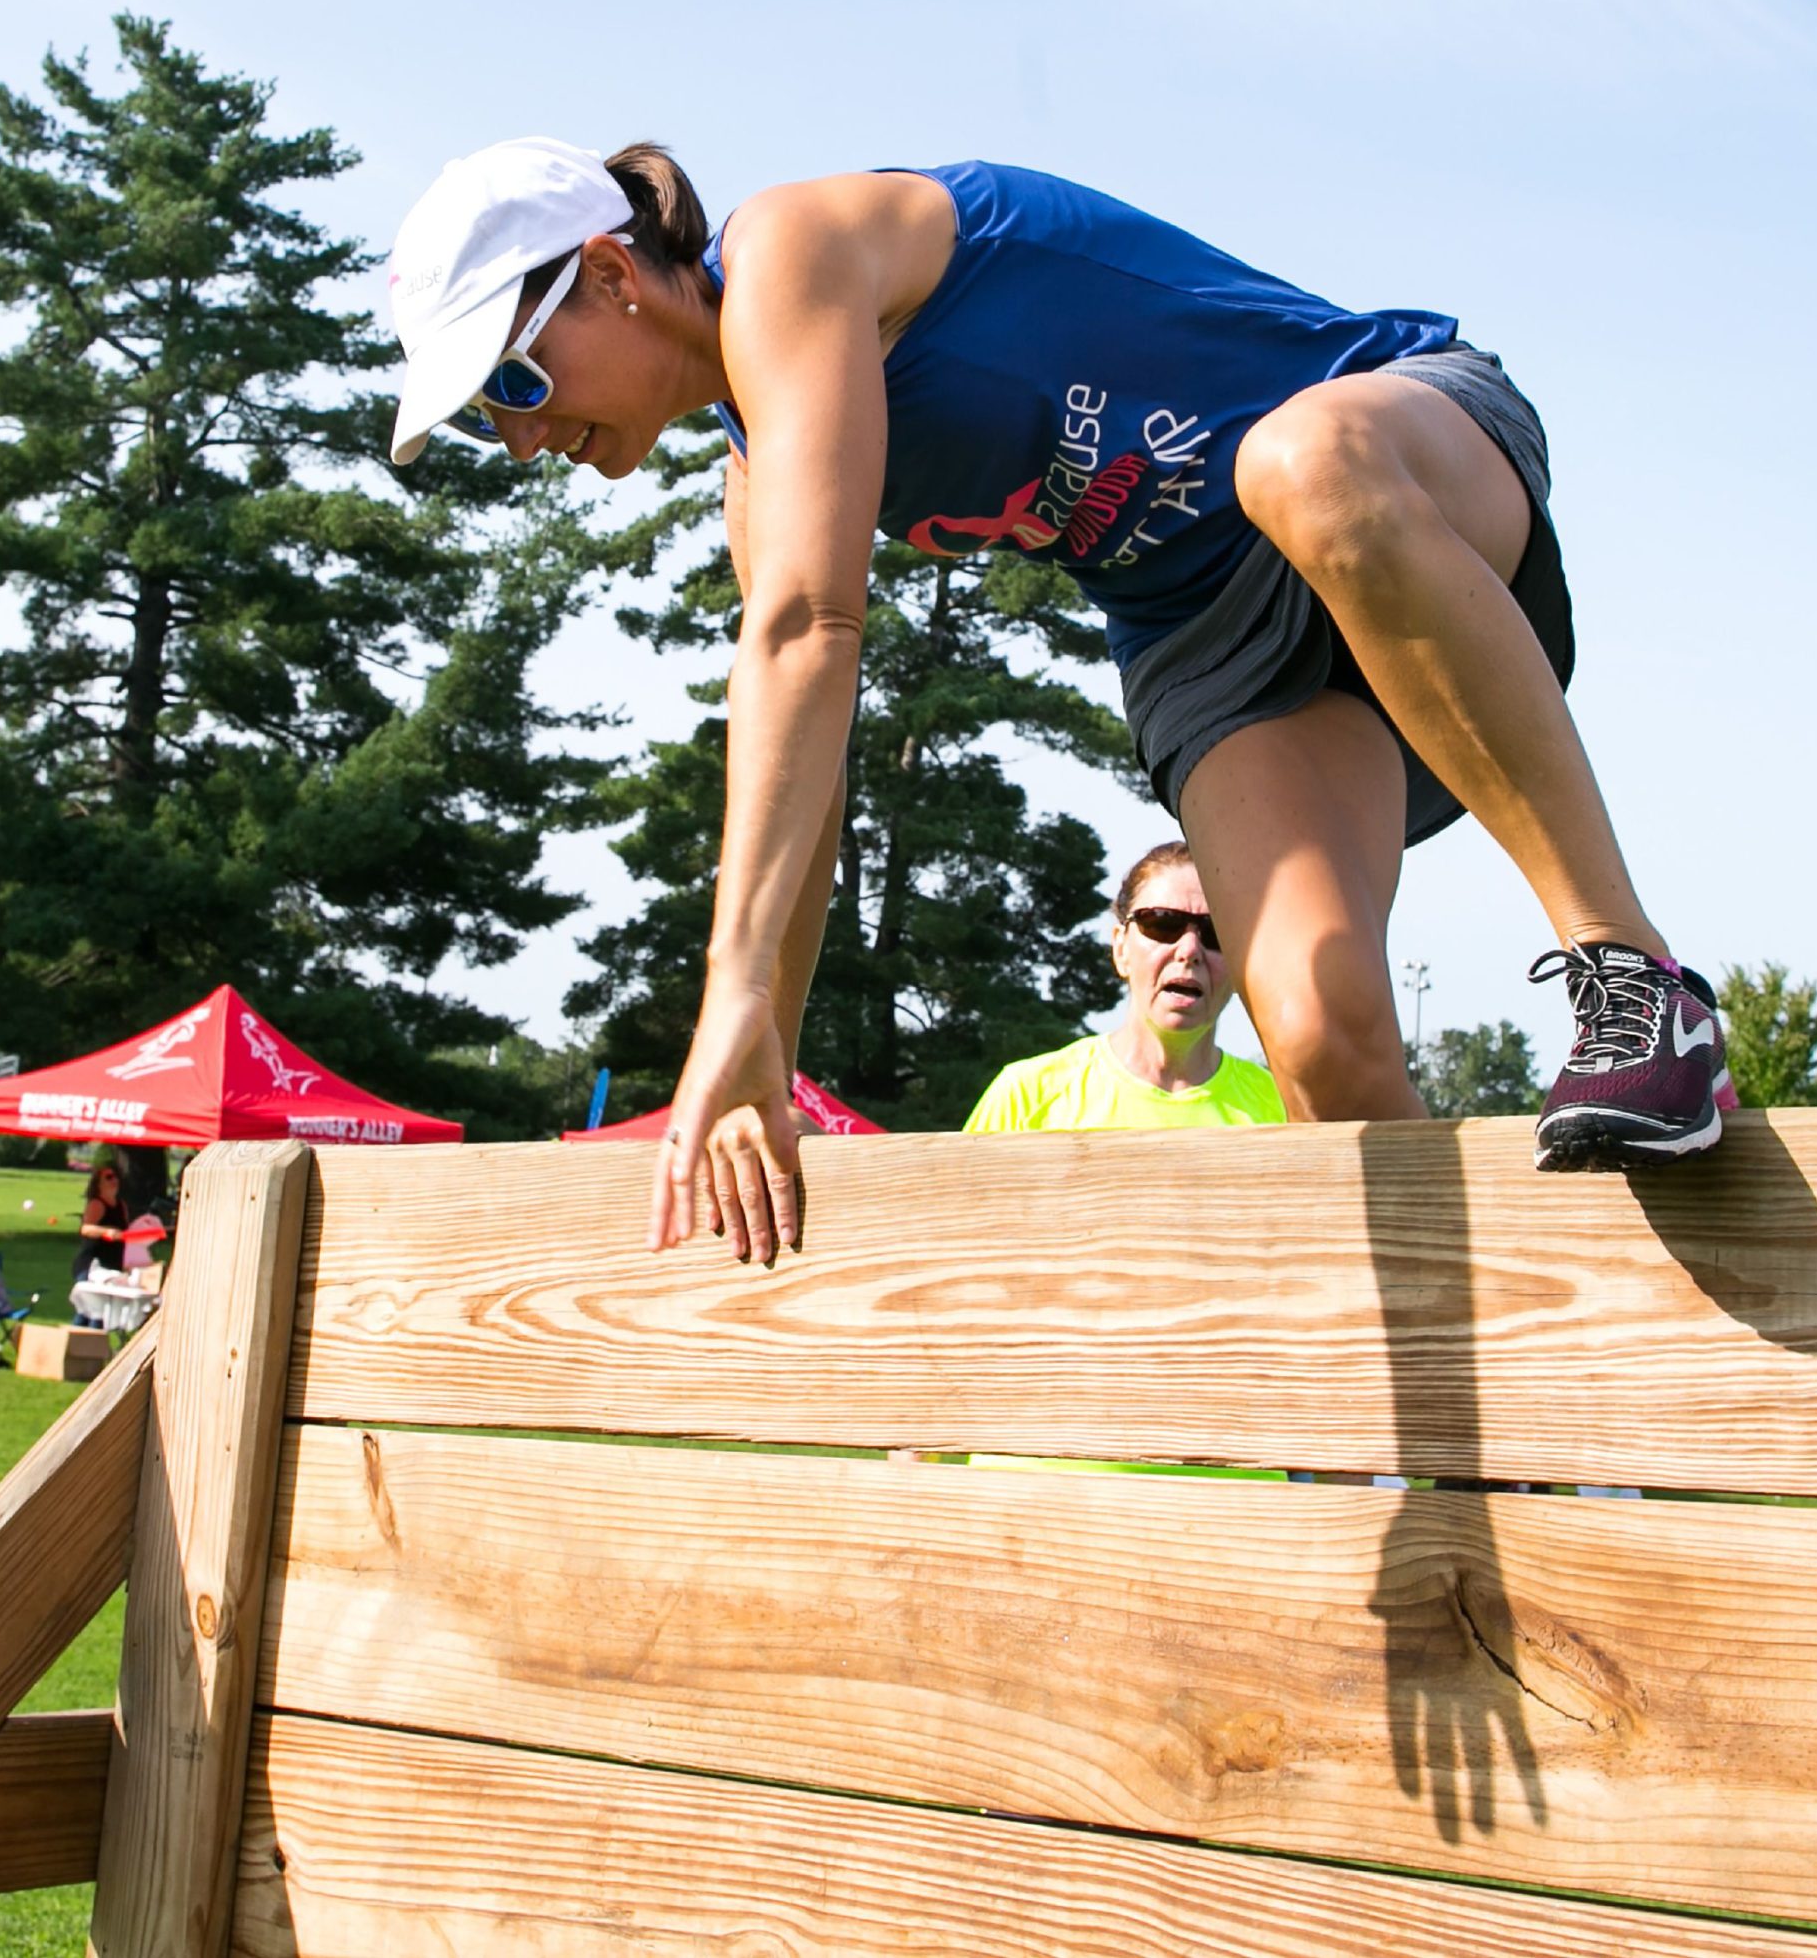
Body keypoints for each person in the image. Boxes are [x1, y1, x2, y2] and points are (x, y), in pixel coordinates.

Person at [384, 141, 1736, 1262]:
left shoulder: (788, 248)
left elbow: (811, 629)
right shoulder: (758, 476)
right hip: (1205, 620)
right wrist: (764, 1060)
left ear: (613, 273)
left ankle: (1633, 979)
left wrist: (731, 996)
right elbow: (803, 735)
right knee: (1321, 1035)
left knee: (1300, 460)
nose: (519, 437)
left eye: (513, 381)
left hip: (1393, 448)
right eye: (483, 421)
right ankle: (1490, 1461)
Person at [966, 840, 1282, 1134]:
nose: (1189, 949)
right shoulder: (1026, 1098)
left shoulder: (1282, 1110)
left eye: (1216, 933)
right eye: (1162, 923)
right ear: (1121, 948)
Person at [73, 1162, 130, 1287]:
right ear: (98, 1183)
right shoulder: (96, 1204)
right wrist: (106, 1232)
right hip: (92, 1266)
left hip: (113, 1265)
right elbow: (85, 1229)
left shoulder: (121, 1205)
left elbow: (125, 1233)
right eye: (109, 1177)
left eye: (116, 1176)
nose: (114, 1179)